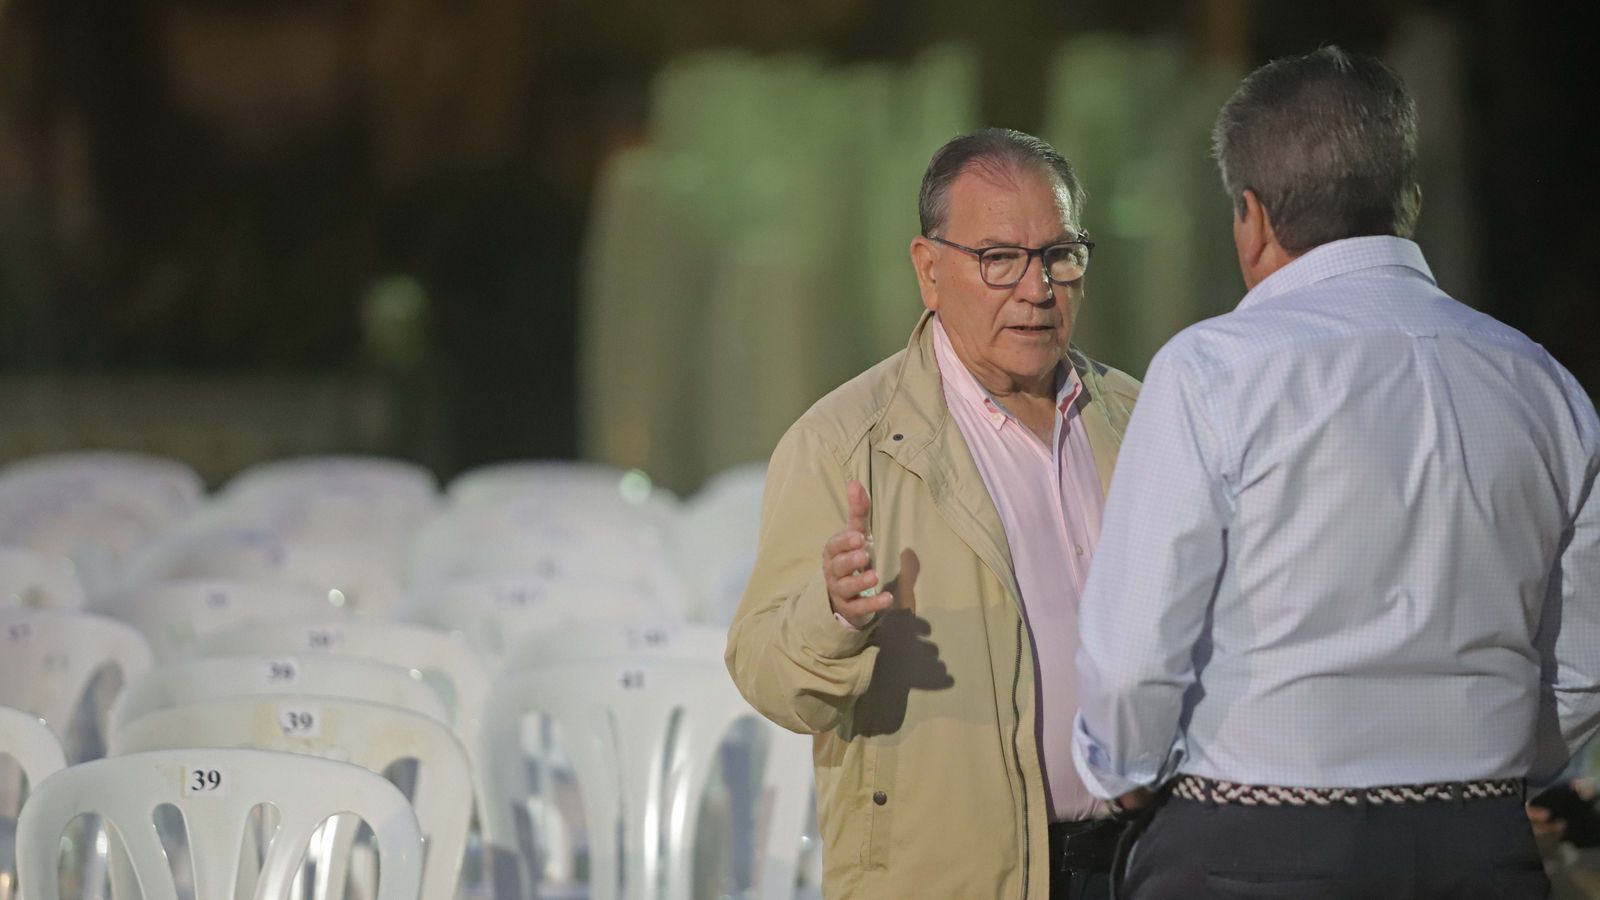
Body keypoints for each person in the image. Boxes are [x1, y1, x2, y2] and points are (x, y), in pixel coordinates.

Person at [1070, 46, 1600, 897]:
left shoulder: (1213, 371)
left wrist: (1117, 766)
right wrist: (1479, 777)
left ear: (1251, 216)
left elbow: (1136, 658)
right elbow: (1581, 664)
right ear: (1408, 200)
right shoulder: (1543, 385)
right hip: (1480, 852)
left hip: (1248, 849)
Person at [725, 127, 1141, 900]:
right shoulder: (844, 443)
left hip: (1141, 862)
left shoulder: (1137, 416)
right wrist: (834, 616)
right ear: (929, 270)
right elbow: (764, 671)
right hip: (953, 873)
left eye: (1060, 254)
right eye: (999, 259)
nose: (1037, 287)